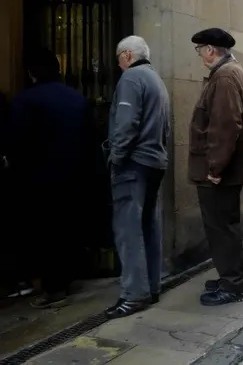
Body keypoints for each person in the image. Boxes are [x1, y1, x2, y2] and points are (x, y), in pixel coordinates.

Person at [7, 48, 90, 309]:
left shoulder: (26, 100)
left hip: (38, 180)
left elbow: (14, 142)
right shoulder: (77, 99)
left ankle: (50, 288)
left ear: (32, 72)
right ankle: (65, 280)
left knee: (42, 234)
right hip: (73, 178)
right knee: (67, 230)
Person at [103, 36, 171, 318]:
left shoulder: (131, 79)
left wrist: (115, 159)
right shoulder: (156, 80)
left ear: (128, 55)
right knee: (149, 226)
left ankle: (134, 294)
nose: (118, 65)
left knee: (129, 230)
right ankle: (151, 287)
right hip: (155, 161)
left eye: (119, 58)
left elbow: (126, 124)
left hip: (133, 164)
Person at [189, 28, 243, 306]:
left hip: (219, 172)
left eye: (200, 49)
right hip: (223, 169)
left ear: (211, 49)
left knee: (221, 228)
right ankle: (233, 276)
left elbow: (226, 126)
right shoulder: (230, 72)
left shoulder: (226, 76)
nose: (200, 55)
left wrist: (215, 168)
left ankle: (234, 284)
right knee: (225, 227)